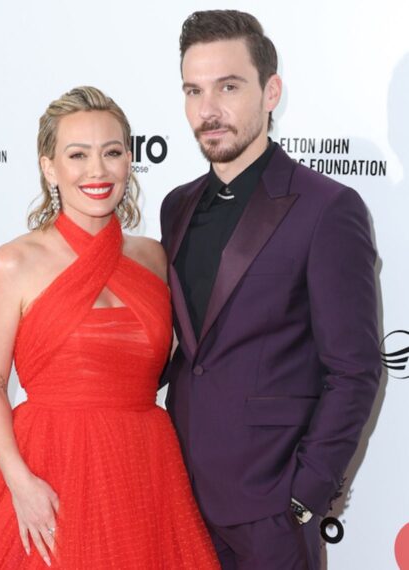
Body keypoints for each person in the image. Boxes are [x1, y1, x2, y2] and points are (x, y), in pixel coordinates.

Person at [0, 86, 218, 569]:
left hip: (144, 468)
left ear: (129, 162)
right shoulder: (13, 264)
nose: (97, 170)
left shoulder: (154, 257)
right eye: (78, 155)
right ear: (49, 167)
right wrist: (20, 482)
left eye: (112, 152)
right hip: (48, 468)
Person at [161, 10, 380, 569]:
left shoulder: (327, 209)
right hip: (177, 494)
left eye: (228, 86)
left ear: (270, 91)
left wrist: (305, 497)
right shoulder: (177, 206)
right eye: (194, 90)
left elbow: (355, 369)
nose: (208, 110)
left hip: (270, 511)